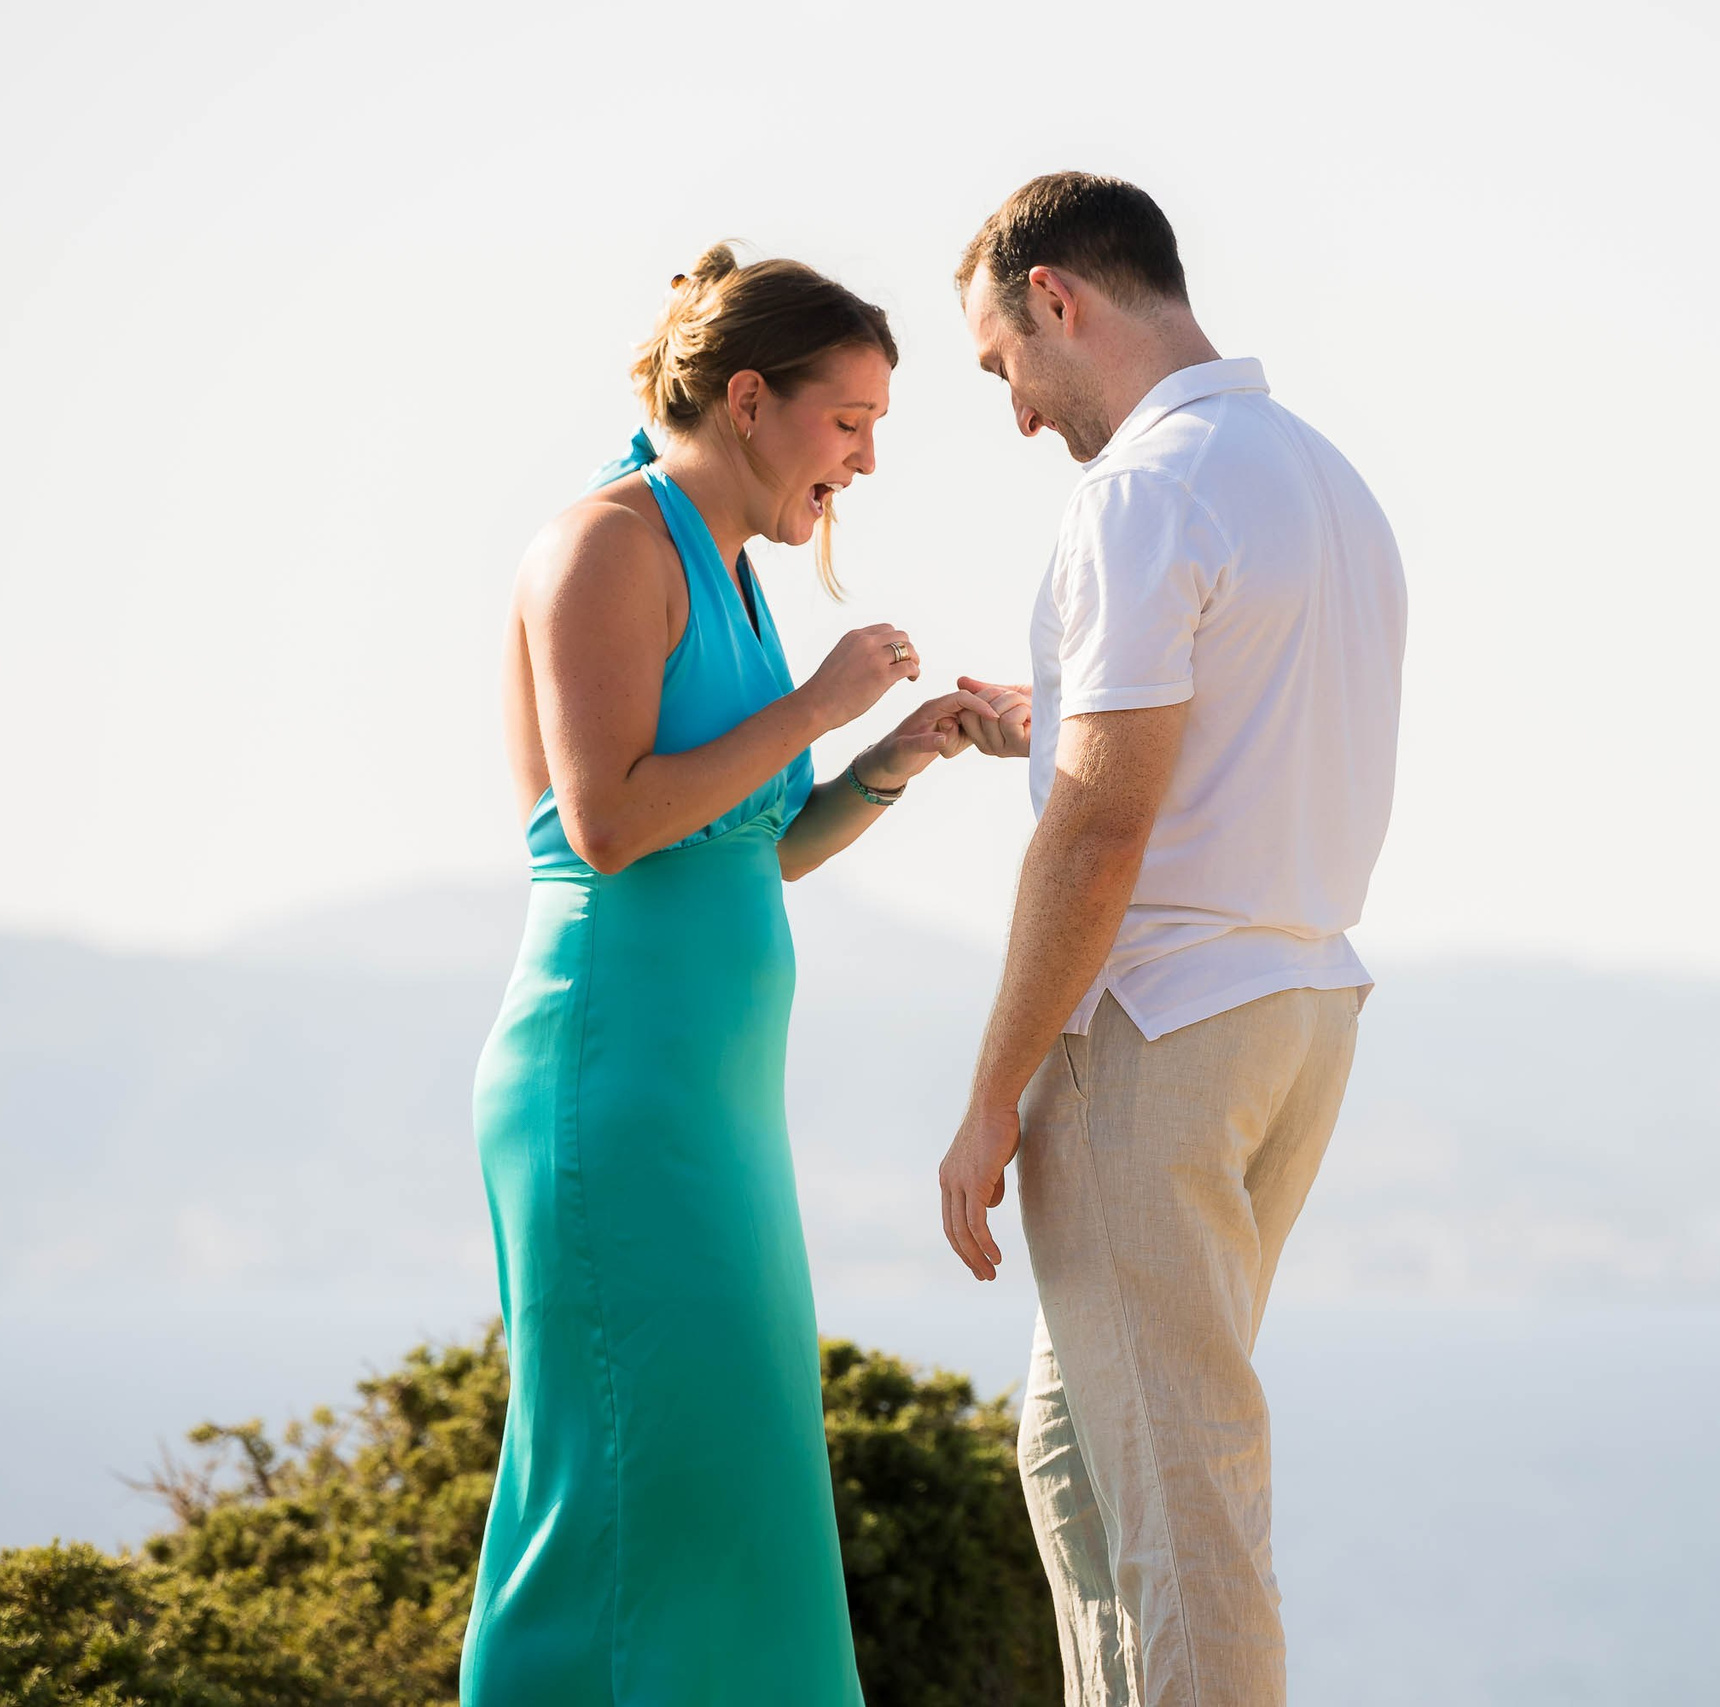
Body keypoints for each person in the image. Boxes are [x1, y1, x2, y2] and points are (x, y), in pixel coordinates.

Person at [465, 243, 989, 1707]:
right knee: (619, 1481)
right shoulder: (606, 546)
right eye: (852, 422)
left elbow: (746, 845)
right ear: (751, 400)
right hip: (610, 1081)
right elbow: (615, 823)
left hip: (713, 1104)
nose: (867, 461)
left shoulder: (736, 573)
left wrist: (892, 753)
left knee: (734, 1481)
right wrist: (823, 700)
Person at [938, 174, 1410, 1707]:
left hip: (1159, 1028)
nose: (1013, 416)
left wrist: (990, 1094)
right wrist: (1047, 718)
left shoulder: (1144, 492)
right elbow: (1232, 731)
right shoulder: (1321, 476)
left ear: (1056, 298)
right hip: (1295, 1015)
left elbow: (1099, 828)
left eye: (1001, 366)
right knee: (1080, 1462)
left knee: (1178, 1493)